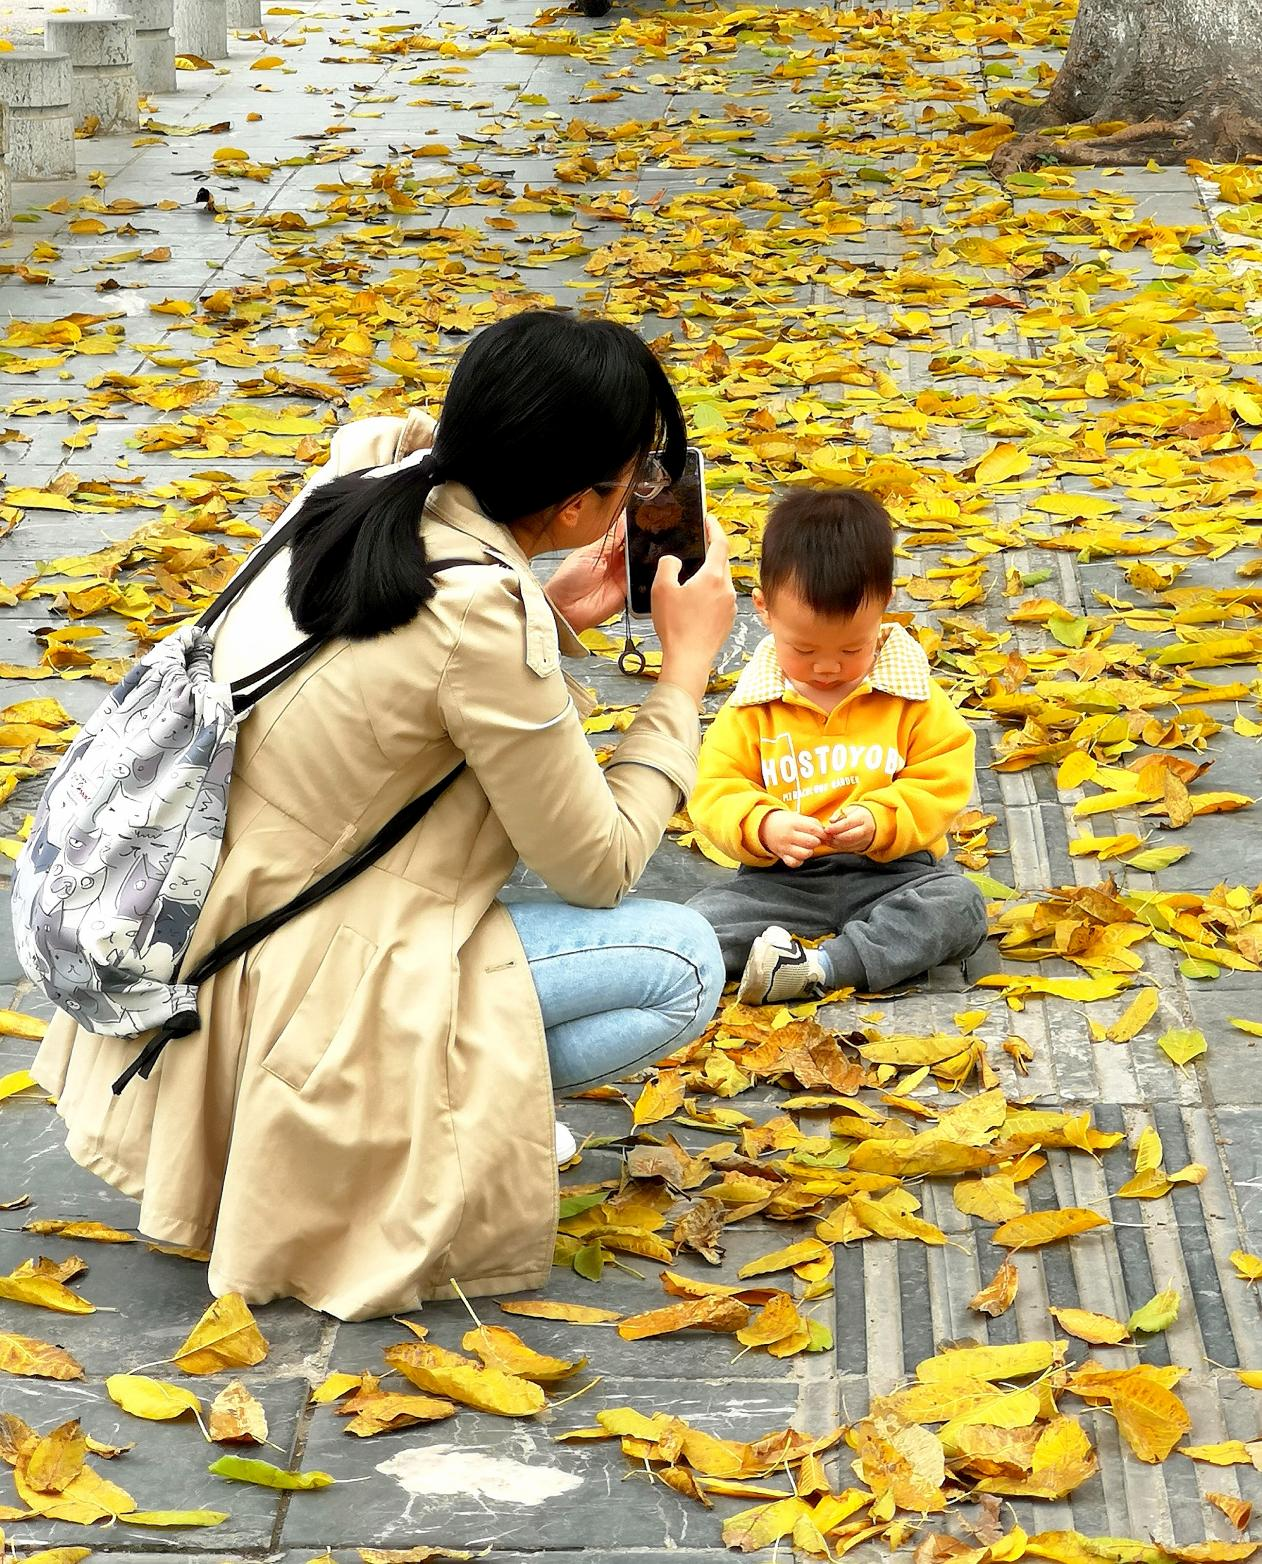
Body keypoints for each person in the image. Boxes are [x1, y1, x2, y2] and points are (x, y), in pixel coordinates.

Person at [31, 310, 735, 1321]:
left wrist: (546, 606)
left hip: (189, 922)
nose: (642, 496)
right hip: (307, 989)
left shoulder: (360, 484)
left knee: (516, 835)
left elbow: (391, 677)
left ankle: (356, 1125)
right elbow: (602, 863)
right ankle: (418, 1133)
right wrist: (683, 673)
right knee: (680, 961)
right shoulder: (482, 617)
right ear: (581, 504)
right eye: (634, 480)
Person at [686, 486, 987, 1005]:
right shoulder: (754, 705)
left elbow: (943, 777)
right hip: (781, 882)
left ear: (884, 608)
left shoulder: (908, 692)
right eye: (803, 649)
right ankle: (780, 958)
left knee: (958, 905)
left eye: (853, 648)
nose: (828, 667)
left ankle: (821, 967)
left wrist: (882, 819)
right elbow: (714, 788)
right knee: (691, 929)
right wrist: (764, 825)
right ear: (763, 609)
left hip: (893, 873)